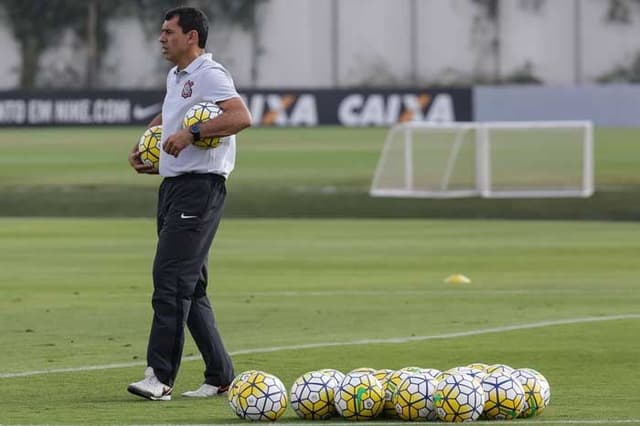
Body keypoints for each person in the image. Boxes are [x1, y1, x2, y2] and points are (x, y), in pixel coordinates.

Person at [126, 6, 252, 401]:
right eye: (161, 31)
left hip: (201, 188)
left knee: (169, 279)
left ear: (191, 36)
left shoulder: (210, 74)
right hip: (174, 188)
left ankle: (159, 377)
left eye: (168, 31)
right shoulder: (176, 76)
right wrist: (148, 148)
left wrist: (193, 133)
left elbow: (240, 117)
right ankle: (220, 375)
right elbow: (169, 119)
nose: (161, 38)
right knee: (191, 287)